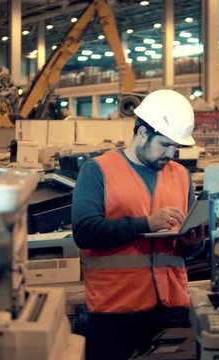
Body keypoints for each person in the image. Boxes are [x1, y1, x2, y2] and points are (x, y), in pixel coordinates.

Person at [71, 89, 205, 360]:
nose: (171, 153)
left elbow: (187, 250)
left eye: (176, 147)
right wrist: (146, 223)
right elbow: (85, 232)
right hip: (115, 312)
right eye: (165, 144)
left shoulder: (181, 175)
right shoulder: (98, 170)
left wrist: (193, 243)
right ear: (142, 133)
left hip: (171, 308)